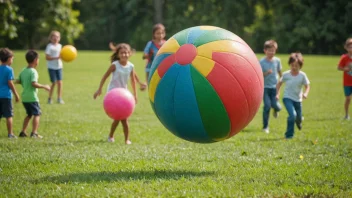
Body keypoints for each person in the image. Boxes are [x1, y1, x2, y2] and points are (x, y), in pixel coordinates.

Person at [94, 43, 137, 144]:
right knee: (122, 119)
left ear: (129, 54)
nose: (124, 55)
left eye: (126, 53)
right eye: (122, 53)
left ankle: (118, 138)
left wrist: (135, 95)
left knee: (122, 119)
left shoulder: (131, 66)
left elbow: (133, 80)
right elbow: (105, 76)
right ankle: (121, 139)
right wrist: (99, 89)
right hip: (113, 94)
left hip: (124, 95)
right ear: (118, 55)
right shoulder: (115, 65)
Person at [17, 50, 51, 138]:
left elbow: (19, 81)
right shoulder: (33, 71)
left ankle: (23, 132)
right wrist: (44, 86)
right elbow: (33, 83)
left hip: (24, 97)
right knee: (37, 114)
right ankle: (34, 133)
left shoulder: (23, 70)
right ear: (36, 60)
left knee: (29, 115)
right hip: (32, 97)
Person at [276, 53, 310, 139]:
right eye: (292, 65)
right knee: (292, 115)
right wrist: (278, 93)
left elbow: (307, 86)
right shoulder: (286, 74)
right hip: (287, 98)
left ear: (300, 66)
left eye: (296, 66)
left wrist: (305, 93)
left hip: (298, 100)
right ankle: (289, 135)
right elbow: (279, 84)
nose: (294, 67)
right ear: (289, 64)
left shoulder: (302, 75)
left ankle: (299, 122)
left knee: (298, 117)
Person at [260, 40, 282, 133]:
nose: (271, 53)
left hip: (275, 87)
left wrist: (282, 79)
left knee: (276, 106)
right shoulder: (261, 62)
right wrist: (266, 73)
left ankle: (276, 110)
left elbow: (280, 72)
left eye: (273, 51)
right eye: (269, 51)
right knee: (267, 106)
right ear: (265, 51)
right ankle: (265, 127)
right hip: (265, 88)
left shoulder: (277, 60)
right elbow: (259, 75)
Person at [0, 48, 20, 138]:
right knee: (9, 116)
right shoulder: (9, 70)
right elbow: (10, 83)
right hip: (6, 96)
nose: (12, 60)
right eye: (12, 59)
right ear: (8, 59)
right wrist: (16, 94)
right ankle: (10, 134)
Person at [45, 30, 64, 104]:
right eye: (54, 37)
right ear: (51, 38)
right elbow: (47, 57)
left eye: (57, 37)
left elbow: (62, 56)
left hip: (59, 66)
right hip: (51, 67)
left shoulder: (60, 46)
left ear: (59, 38)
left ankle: (59, 98)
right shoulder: (49, 46)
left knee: (60, 82)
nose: (56, 38)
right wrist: (56, 58)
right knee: (54, 83)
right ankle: (49, 98)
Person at [337, 38, 352, 120]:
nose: (351, 48)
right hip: (347, 83)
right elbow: (339, 67)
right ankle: (346, 114)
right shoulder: (344, 57)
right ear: (346, 48)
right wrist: (344, 69)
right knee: (348, 98)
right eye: (350, 47)